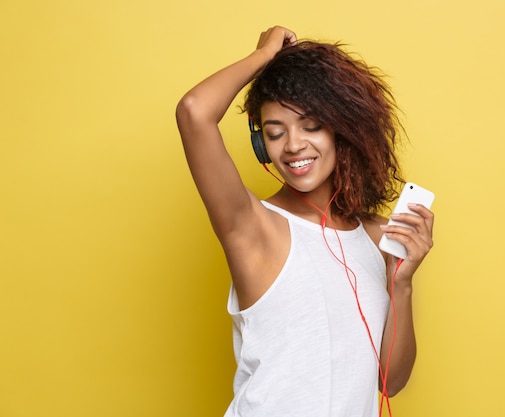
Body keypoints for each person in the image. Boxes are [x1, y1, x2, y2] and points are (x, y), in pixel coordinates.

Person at [176, 26, 434, 417]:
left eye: (311, 126)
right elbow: (194, 111)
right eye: (275, 133)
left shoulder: (377, 236)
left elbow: (389, 383)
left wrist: (402, 284)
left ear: (343, 130)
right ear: (261, 144)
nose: (294, 145)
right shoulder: (254, 227)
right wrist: (264, 57)